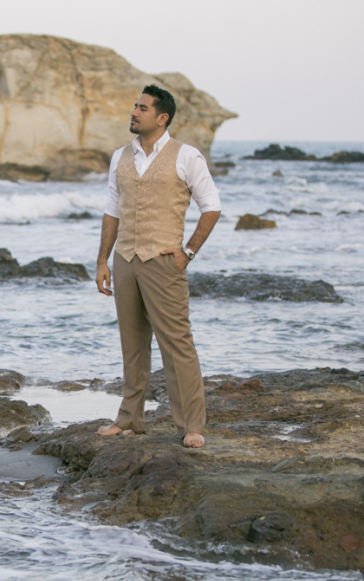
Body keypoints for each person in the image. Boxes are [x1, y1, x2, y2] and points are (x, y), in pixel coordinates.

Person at [94, 85, 222, 448]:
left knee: (176, 343)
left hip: (164, 262)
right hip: (125, 260)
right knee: (132, 344)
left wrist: (189, 252)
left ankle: (192, 425)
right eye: (135, 106)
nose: (134, 112)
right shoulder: (121, 156)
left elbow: (211, 206)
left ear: (161, 117)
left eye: (142, 108)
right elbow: (112, 210)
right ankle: (130, 419)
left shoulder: (186, 156)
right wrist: (103, 259)